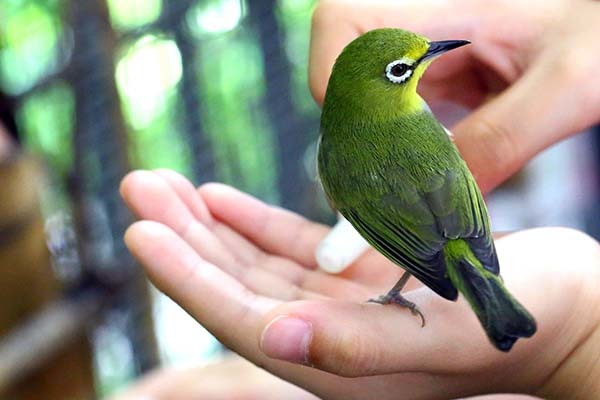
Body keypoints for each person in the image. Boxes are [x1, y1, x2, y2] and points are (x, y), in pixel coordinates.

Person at [117, 0, 600, 398]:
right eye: (402, 68)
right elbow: (453, 200)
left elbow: (385, 226)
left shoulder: (344, 152)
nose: (428, 57)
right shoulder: (407, 125)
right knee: (450, 255)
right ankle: (485, 295)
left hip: (420, 242)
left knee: (441, 254)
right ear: (373, 88)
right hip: (464, 229)